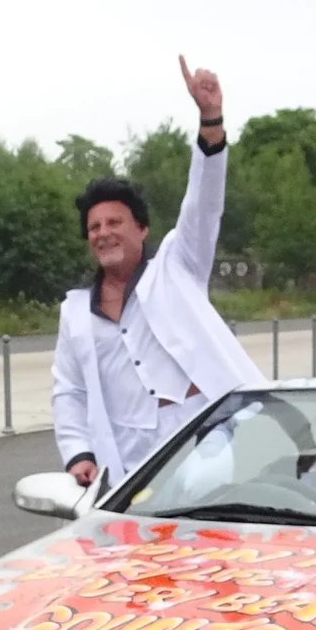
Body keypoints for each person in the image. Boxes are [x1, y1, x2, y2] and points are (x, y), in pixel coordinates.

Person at [52, 57, 265, 493]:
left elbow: (203, 204)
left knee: (209, 530)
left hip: (207, 434)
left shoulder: (176, 265)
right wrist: (79, 453)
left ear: (142, 229)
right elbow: (69, 391)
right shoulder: (75, 312)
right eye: (94, 227)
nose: (104, 233)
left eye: (115, 223)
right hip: (130, 458)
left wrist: (210, 121)